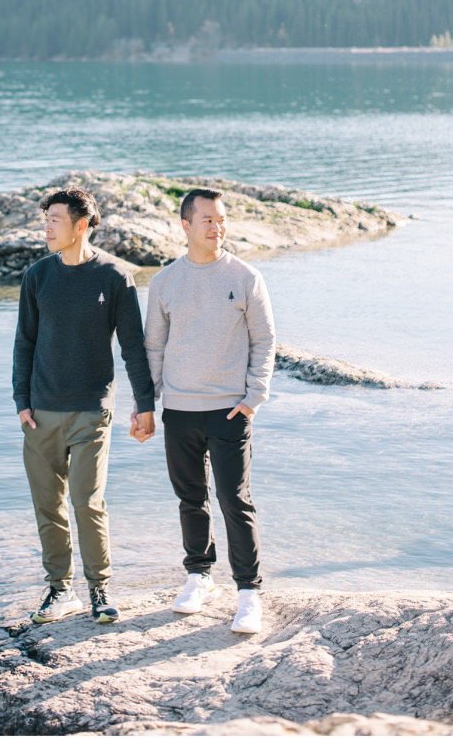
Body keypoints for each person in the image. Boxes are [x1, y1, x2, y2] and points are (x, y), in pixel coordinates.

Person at [12, 186, 156, 624]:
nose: (47, 227)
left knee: (87, 501)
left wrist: (144, 405)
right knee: (48, 506)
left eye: (54, 219)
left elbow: (133, 346)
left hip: (93, 410)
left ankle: (99, 589)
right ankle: (59, 591)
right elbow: (24, 341)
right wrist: (21, 401)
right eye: (45, 219)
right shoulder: (38, 276)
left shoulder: (114, 277)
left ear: (81, 225)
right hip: (40, 413)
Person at [144, 187, 277, 635]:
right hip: (179, 410)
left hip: (229, 411)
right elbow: (153, 348)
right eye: (208, 220)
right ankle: (199, 575)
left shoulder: (245, 277)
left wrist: (253, 398)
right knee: (190, 499)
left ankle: (248, 592)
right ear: (186, 225)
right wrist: (148, 405)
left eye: (221, 219)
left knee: (234, 500)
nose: (217, 227)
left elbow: (264, 341)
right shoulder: (164, 282)